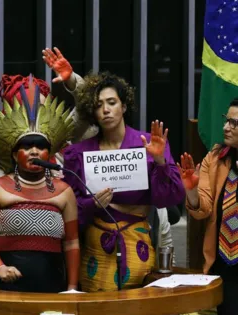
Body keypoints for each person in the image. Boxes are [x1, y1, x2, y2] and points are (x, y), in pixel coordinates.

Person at [63, 72, 185, 292]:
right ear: (93, 111)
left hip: (136, 240)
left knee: (136, 306)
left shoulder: (148, 144)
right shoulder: (77, 153)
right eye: (99, 105)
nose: (106, 110)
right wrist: (93, 205)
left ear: (124, 106)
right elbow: (68, 212)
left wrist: (160, 162)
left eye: (112, 102)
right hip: (95, 244)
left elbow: (171, 197)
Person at [0, 83, 80, 292]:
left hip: (51, 284)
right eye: (26, 146)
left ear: (49, 154)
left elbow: (72, 242)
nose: (34, 151)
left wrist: (72, 288)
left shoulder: (64, 192)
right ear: (14, 154)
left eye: (40, 147)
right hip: (4, 284)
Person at [0, 45, 98, 188]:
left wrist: (71, 79)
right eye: (25, 112)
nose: (33, 117)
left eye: (40, 109)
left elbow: (87, 106)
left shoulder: (62, 138)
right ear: (10, 116)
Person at [179, 98, 238, 315]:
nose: (226, 127)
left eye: (234, 123)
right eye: (227, 120)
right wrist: (191, 189)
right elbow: (202, 210)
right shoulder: (215, 159)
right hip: (226, 264)